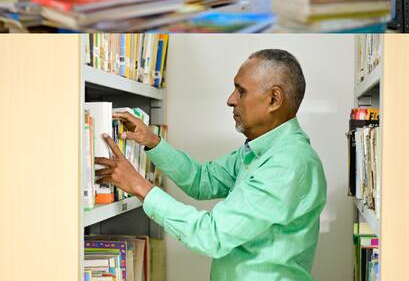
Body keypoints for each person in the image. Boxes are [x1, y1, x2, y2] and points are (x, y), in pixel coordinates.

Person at [95, 49, 327, 281]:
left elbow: (212, 236)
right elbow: (202, 180)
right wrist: (152, 142)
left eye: (241, 91)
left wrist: (139, 185)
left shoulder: (287, 164)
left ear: (274, 99)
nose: (230, 100)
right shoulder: (262, 149)